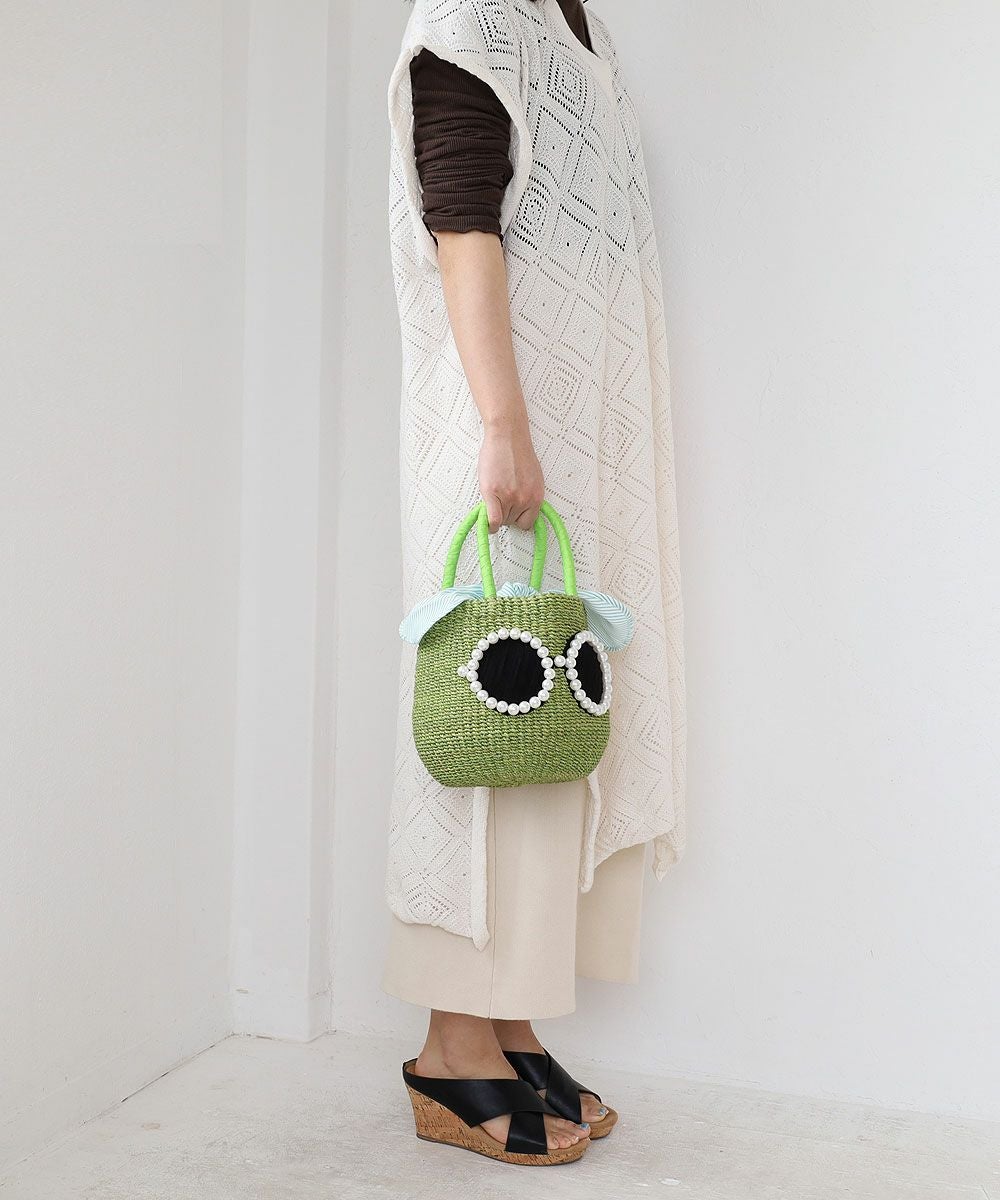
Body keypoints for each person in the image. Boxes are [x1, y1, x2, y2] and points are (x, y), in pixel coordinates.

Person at [383, 0, 686, 1166]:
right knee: (493, 717)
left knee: (556, 720)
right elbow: (461, 223)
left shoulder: (572, 20)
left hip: (576, 428)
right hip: (502, 425)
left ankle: (507, 1021)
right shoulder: (471, 18)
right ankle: (450, 1043)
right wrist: (504, 426)